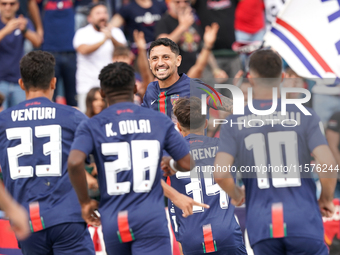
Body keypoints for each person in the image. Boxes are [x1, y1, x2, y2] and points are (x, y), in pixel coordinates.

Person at [214, 49, 337, 254]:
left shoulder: (233, 122)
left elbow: (220, 174)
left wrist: (237, 195)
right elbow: (328, 164)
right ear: (282, 77)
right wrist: (325, 199)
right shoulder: (304, 114)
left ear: (251, 78)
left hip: (262, 226)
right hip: (303, 220)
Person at [67, 62, 194, 255]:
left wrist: (84, 203)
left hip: (114, 218)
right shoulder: (158, 120)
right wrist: (171, 164)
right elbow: (187, 162)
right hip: (150, 217)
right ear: (135, 88)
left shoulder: (92, 125)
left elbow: (74, 162)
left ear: (102, 92)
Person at [0, 51, 95, 254]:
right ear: (53, 82)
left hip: (25, 220)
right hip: (66, 216)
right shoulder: (73, 117)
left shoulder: (3, 121)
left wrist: (9, 208)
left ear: (21, 84)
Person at [162, 97, 247, 255]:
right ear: (206, 123)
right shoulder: (226, 147)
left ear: (178, 126)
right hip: (226, 232)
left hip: (191, 236)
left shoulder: (169, 157)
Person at [142, 37, 233, 120]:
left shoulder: (195, 87)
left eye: (166, 57)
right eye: (155, 58)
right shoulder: (151, 89)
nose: (160, 63)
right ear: (150, 63)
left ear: (178, 61)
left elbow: (234, 106)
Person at [74, 2, 127, 112]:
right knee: (87, 118)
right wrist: (103, 39)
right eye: (98, 13)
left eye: (104, 13)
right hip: (87, 85)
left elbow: (124, 51)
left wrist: (111, 38)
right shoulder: (82, 33)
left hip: (112, 84)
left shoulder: (115, 32)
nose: (102, 16)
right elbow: (83, 50)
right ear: (89, 18)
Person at [0, 0, 41, 109]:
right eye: (3, 4)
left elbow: (37, 41)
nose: (7, 7)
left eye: (11, 4)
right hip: (1, 80)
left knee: (21, 119)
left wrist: (25, 30)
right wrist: (6, 30)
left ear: (17, 5)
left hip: (19, 81)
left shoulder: (23, 22)